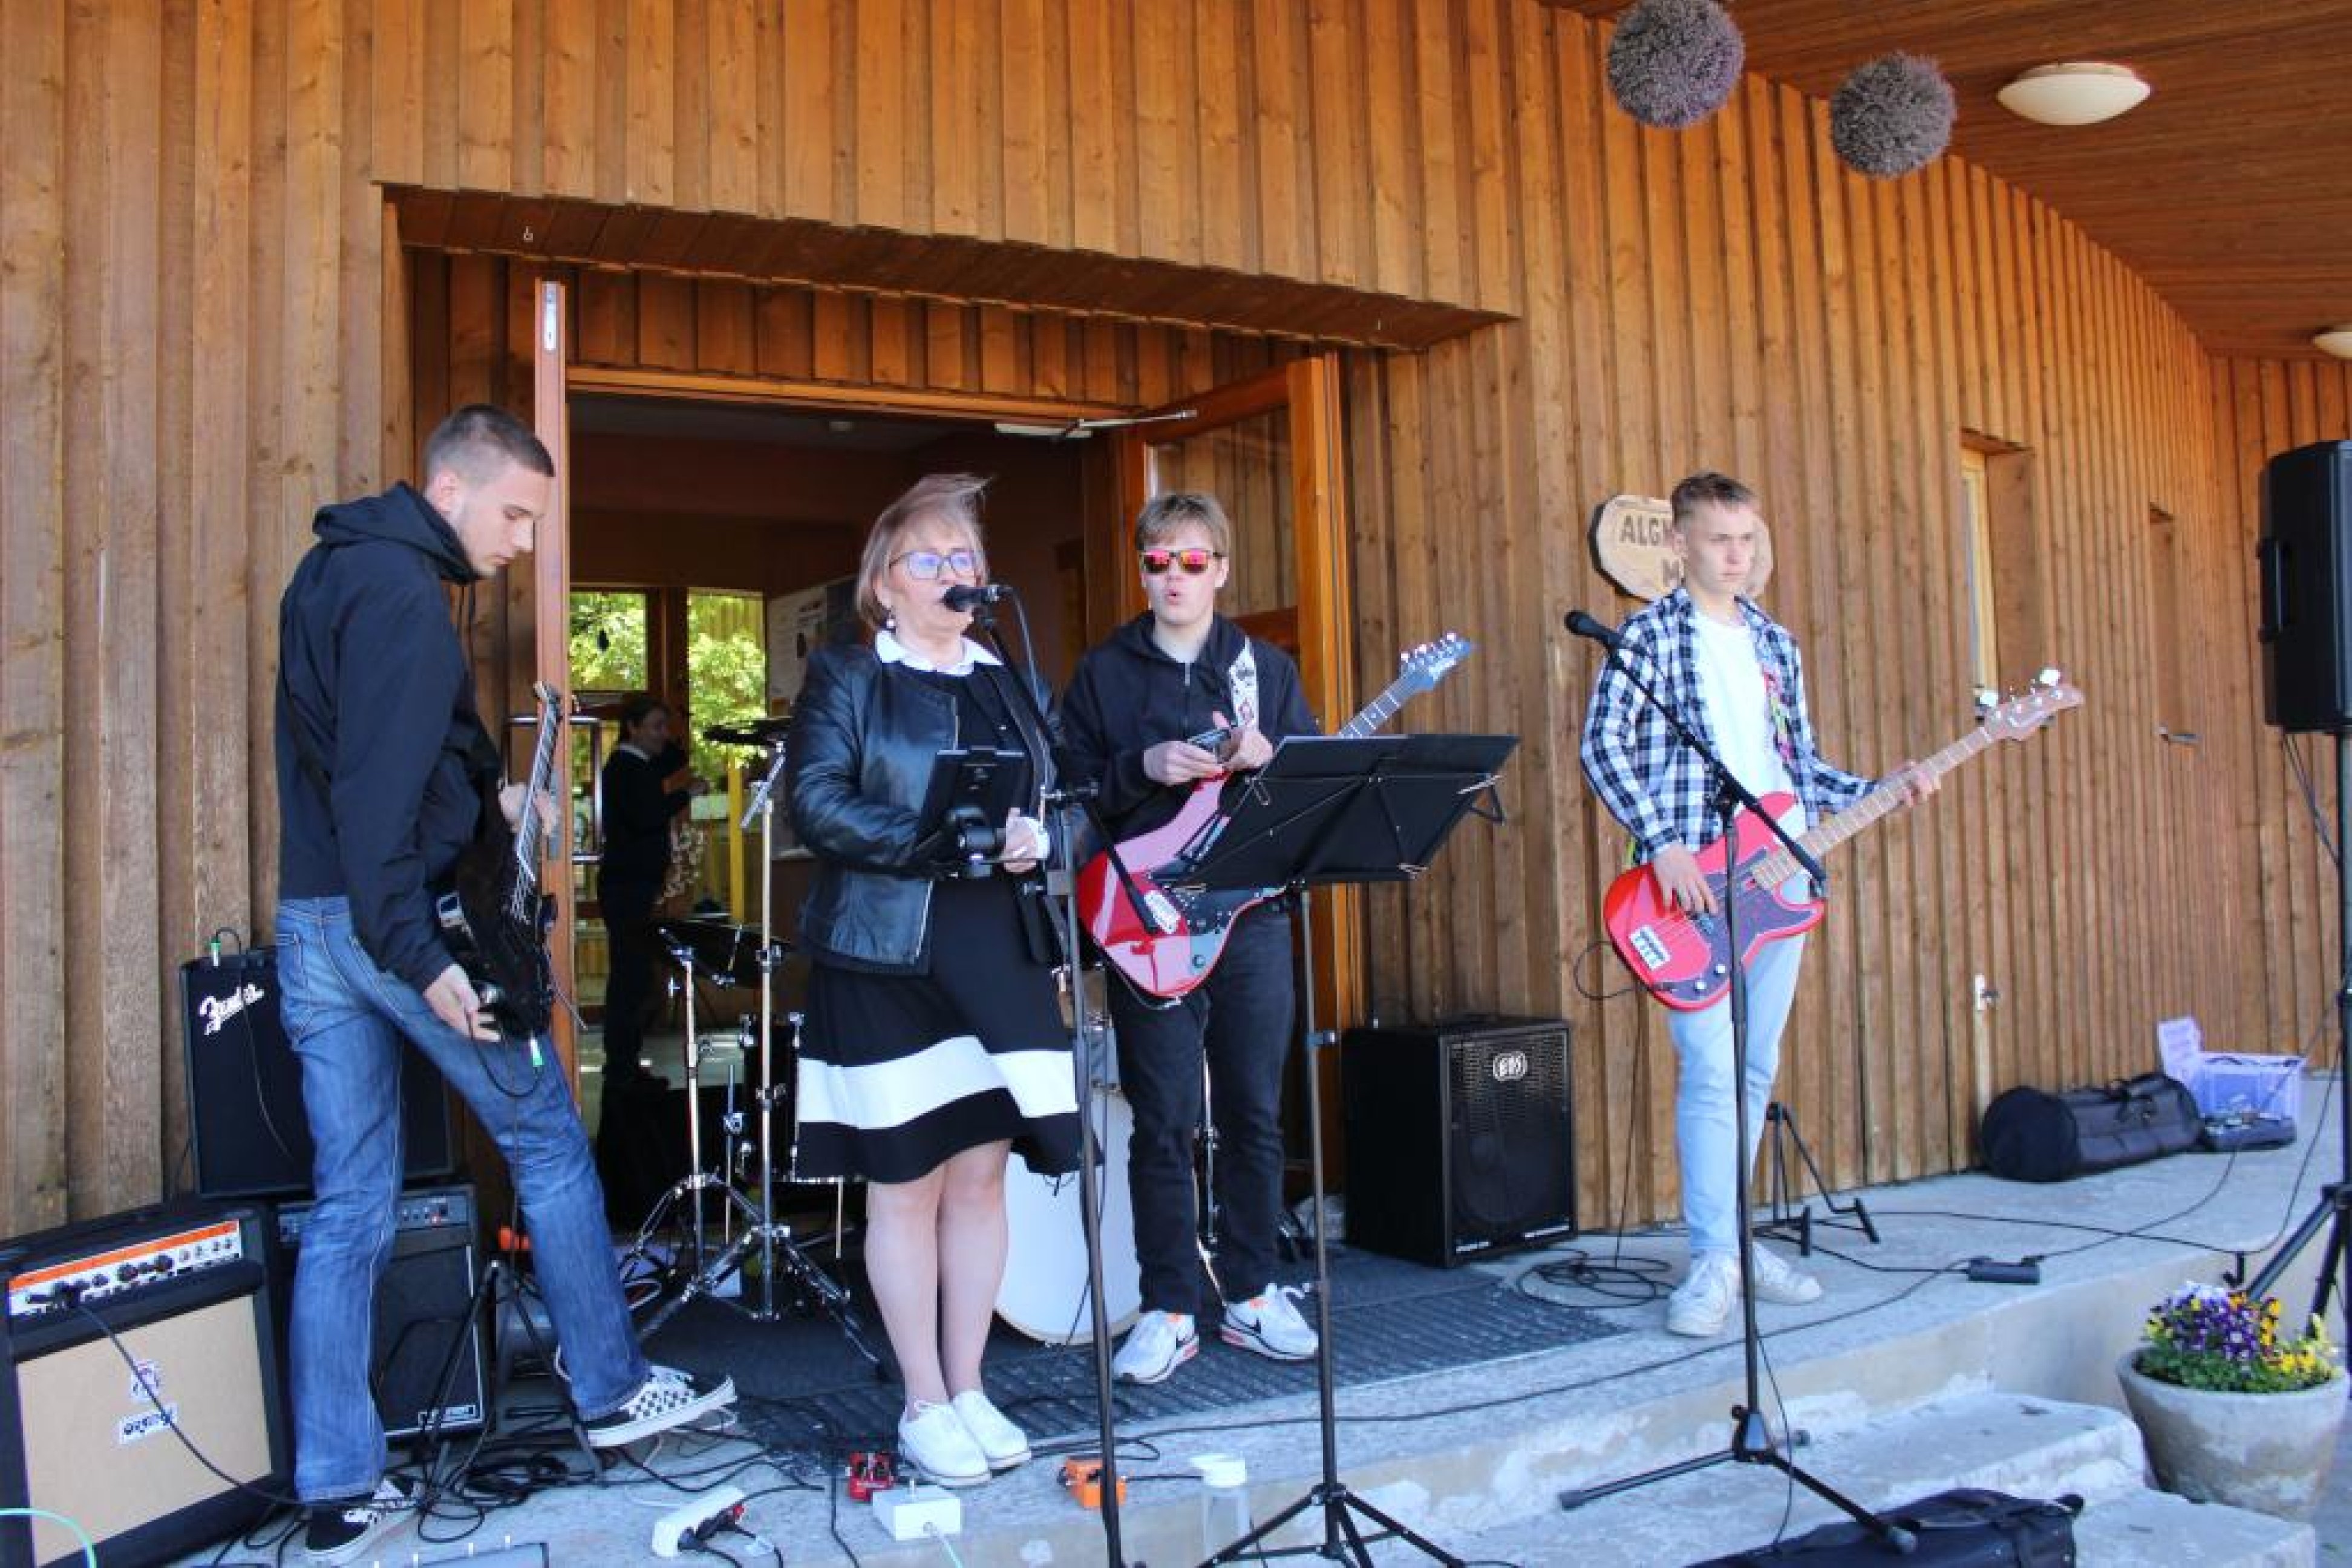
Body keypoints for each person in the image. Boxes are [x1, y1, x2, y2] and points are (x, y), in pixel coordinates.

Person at [274, 404, 734, 1566]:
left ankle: (337, 1486)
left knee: (347, 1205)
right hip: (398, 928)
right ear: (450, 490)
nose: (525, 541)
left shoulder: (327, 573)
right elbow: (375, 807)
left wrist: (488, 803)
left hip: (313, 923)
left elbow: (359, 764)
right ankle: (612, 1389)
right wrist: (425, 958)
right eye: (517, 515)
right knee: (546, 1138)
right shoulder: (404, 602)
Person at [1578, 471, 1934, 1339]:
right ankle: (1711, 1261)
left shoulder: (1777, 644)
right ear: (1680, 544)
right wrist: (1663, 842)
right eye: (1719, 540)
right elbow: (1602, 745)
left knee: (1752, 1069)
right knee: (1709, 1067)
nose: (1736, 556)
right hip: (1693, 885)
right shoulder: (1650, 636)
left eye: (1747, 539)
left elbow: (1799, 767)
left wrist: (1881, 788)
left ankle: (1735, 1244)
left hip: (1781, 878)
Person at [785, 472, 1077, 1488]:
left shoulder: (1012, 681)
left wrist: (1043, 837)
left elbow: (1071, 799)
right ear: (885, 584)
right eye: (929, 558)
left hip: (997, 950)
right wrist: (938, 839)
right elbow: (816, 803)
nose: (953, 572)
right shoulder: (848, 677)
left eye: (965, 558)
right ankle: (922, 1400)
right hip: (887, 950)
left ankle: (971, 1387)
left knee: (981, 1176)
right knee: (906, 1183)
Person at [1060, 492, 1321, 1387]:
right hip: (1148, 922)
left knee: (1254, 1111)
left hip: (1251, 915)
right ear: (1142, 572)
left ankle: (1252, 1292)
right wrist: (1142, 767)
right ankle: (1169, 1307)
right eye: (1158, 561)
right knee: (1164, 1119)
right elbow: (1068, 792)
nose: (1174, 576)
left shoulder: (1264, 669)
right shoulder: (1104, 673)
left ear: (1222, 570)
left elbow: (1311, 793)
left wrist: (1271, 761)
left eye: (1193, 561)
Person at [597, 695, 701, 1088]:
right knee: (630, 977)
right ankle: (621, 1066)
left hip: (633, 884)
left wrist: (677, 724)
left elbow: (674, 758)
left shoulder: (638, 765)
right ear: (632, 728)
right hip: (626, 886)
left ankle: (626, 1062)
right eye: (655, 726)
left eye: (664, 726)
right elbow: (647, 816)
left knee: (635, 975)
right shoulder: (626, 768)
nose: (663, 734)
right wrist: (686, 794)